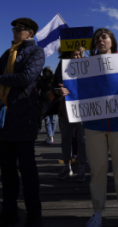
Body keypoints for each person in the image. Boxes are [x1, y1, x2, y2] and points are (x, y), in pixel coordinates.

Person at [57, 28, 118, 227]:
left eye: (105, 37)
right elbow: (73, 87)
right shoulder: (85, 65)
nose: (101, 40)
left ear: (112, 41)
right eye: (98, 38)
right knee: (98, 170)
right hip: (94, 125)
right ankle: (97, 212)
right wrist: (65, 89)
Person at [0, 18, 45, 227]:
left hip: (23, 118)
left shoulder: (36, 52)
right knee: (7, 170)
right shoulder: (8, 53)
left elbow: (26, 77)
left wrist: (2, 79)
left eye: (19, 29)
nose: (15, 32)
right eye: (14, 29)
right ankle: (9, 212)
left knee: (27, 170)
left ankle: (34, 215)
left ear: (30, 33)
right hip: (4, 119)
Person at [47, 49, 87, 182]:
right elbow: (53, 85)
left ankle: (81, 166)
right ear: (69, 54)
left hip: (83, 110)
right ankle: (67, 166)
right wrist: (58, 90)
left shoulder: (88, 65)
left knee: (82, 140)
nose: (77, 56)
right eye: (75, 54)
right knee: (65, 140)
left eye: (80, 54)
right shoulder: (61, 65)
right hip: (65, 110)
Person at [37, 66, 56, 144]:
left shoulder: (54, 79)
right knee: (47, 119)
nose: (47, 72)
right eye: (45, 71)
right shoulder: (41, 80)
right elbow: (37, 89)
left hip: (53, 100)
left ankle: (51, 135)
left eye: (48, 71)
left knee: (53, 119)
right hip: (44, 101)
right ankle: (50, 136)